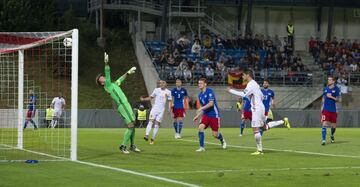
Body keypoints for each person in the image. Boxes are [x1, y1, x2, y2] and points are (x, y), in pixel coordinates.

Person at [227, 70, 290, 155]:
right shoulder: (255, 84)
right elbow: (261, 96)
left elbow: (243, 94)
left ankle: (259, 150)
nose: (242, 77)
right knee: (264, 127)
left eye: (243, 75)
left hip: (257, 109)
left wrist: (231, 90)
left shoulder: (251, 85)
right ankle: (283, 121)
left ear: (248, 75)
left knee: (255, 129)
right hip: (261, 108)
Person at [96, 52, 140, 154]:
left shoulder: (113, 84)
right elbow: (108, 73)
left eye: (102, 77)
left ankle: (132, 145)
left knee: (133, 125)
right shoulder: (107, 86)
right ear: (101, 83)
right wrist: (106, 63)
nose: (103, 77)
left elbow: (121, 78)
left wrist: (128, 72)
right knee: (130, 125)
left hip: (126, 104)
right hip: (123, 106)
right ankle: (123, 146)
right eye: (101, 78)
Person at [193, 78, 226, 152]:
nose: (199, 85)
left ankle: (222, 139)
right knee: (200, 127)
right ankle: (202, 147)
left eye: (201, 83)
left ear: (205, 84)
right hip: (206, 115)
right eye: (198, 83)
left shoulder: (209, 91)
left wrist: (201, 108)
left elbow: (211, 104)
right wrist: (197, 116)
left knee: (215, 134)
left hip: (214, 114)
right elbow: (203, 108)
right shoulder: (200, 95)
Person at [141, 80, 172, 145]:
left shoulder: (168, 92)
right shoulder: (156, 90)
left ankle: (152, 139)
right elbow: (151, 97)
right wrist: (144, 99)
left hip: (161, 110)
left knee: (157, 124)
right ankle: (146, 135)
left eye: (163, 83)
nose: (161, 84)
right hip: (155, 109)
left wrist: (169, 108)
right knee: (151, 121)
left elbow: (170, 101)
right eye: (160, 83)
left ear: (165, 84)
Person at [321, 76, 340, 146]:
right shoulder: (325, 88)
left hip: (333, 110)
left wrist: (331, 96)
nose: (328, 81)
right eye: (328, 79)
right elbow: (323, 99)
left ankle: (332, 134)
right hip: (325, 109)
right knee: (324, 124)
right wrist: (321, 109)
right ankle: (323, 140)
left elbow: (338, 100)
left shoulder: (336, 89)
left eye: (330, 80)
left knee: (334, 126)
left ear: (333, 81)